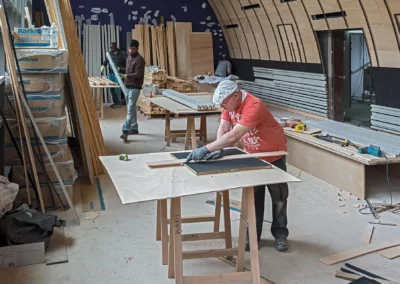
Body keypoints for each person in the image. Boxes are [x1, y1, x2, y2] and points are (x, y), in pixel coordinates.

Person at [185, 80, 289, 252]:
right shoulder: (229, 105)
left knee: (279, 198)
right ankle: (252, 236)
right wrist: (219, 146)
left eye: (225, 103)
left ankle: (280, 235)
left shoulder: (254, 105)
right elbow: (224, 127)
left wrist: (206, 148)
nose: (224, 107)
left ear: (235, 95)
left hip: (273, 155)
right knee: (253, 199)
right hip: (252, 156)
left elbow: (234, 135)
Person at [120, 40, 145, 141]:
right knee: (131, 108)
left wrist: (126, 75)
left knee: (130, 110)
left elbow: (138, 74)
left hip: (135, 87)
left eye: (133, 49)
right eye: (129, 48)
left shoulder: (140, 60)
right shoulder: (129, 57)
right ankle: (134, 128)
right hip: (127, 86)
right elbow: (128, 70)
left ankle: (125, 130)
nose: (131, 50)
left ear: (137, 48)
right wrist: (120, 70)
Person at [101, 42, 127, 108]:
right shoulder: (110, 54)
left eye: (113, 48)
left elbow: (128, 60)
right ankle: (115, 102)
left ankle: (118, 103)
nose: (112, 49)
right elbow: (106, 61)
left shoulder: (122, 53)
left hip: (118, 73)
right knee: (112, 89)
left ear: (116, 46)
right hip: (111, 74)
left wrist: (123, 69)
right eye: (111, 48)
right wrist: (103, 66)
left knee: (117, 88)